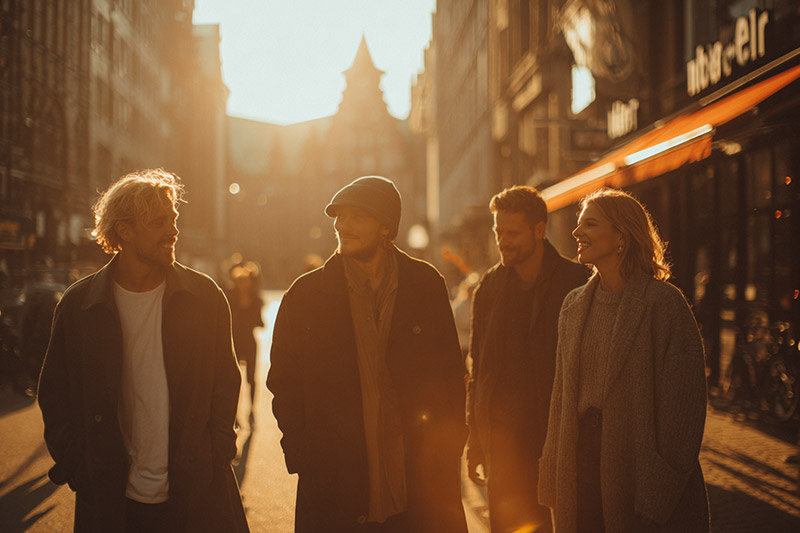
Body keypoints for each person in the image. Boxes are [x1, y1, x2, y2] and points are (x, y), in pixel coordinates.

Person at [37, 169, 249, 533]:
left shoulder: (204, 297)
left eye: (174, 219)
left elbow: (225, 383)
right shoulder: (79, 304)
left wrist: (215, 457)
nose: (174, 230)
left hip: (194, 492)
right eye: (159, 222)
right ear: (124, 231)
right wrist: (77, 467)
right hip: (110, 499)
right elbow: (56, 394)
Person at [267, 176, 468, 532]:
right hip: (335, 482)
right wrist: (303, 455)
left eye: (356, 216)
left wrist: (448, 445)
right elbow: (284, 381)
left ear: (385, 227)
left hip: (417, 480)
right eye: (339, 218)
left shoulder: (426, 284)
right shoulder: (306, 295)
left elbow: (451, 375)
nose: (343, 226)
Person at [538, 188, 709, 532]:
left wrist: (658, 492)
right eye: (578, 223)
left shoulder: (664, 304)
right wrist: (552, 472)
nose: (576, 232)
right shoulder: (573, 306)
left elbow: (685, 410)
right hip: (579, 466)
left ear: (621, 236)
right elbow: (560, 400)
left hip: (638, 467)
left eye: (589, 223)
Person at [466, 186, 589, 532]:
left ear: (539, 229)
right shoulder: (488, 288)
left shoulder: (577, 284)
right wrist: (475, 443)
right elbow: (478, 372)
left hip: (560, 444)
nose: (502, 241)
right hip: (503, 449)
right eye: (498, 232)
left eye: (512, 233)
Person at [227, 261, 264, 427]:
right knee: (234, 379)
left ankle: (251, 411)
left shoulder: (256, 299)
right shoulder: (230, 298)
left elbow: (261, 322)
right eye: (239, 282)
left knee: (251, 379)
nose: (242, 285)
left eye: (245, 282)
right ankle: (234, 414)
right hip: (234, 341)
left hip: (249, 341)